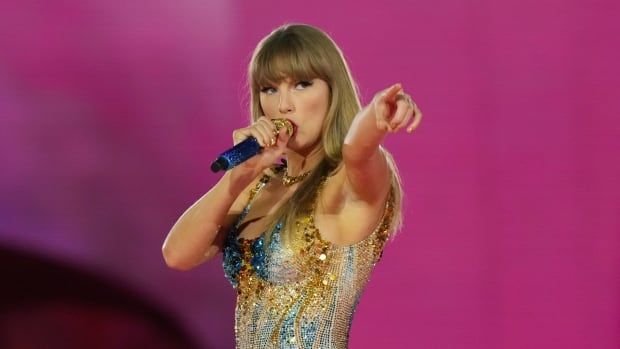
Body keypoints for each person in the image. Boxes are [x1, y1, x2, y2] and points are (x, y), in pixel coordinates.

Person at [162, 23, 422, 349]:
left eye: (301, 84)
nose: (283, 105)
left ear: (333, 91)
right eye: (269, 89)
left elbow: (356, 149)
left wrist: (375, 117)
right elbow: (177, 255)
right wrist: (236, 178)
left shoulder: (345, 183)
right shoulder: (256, 184)